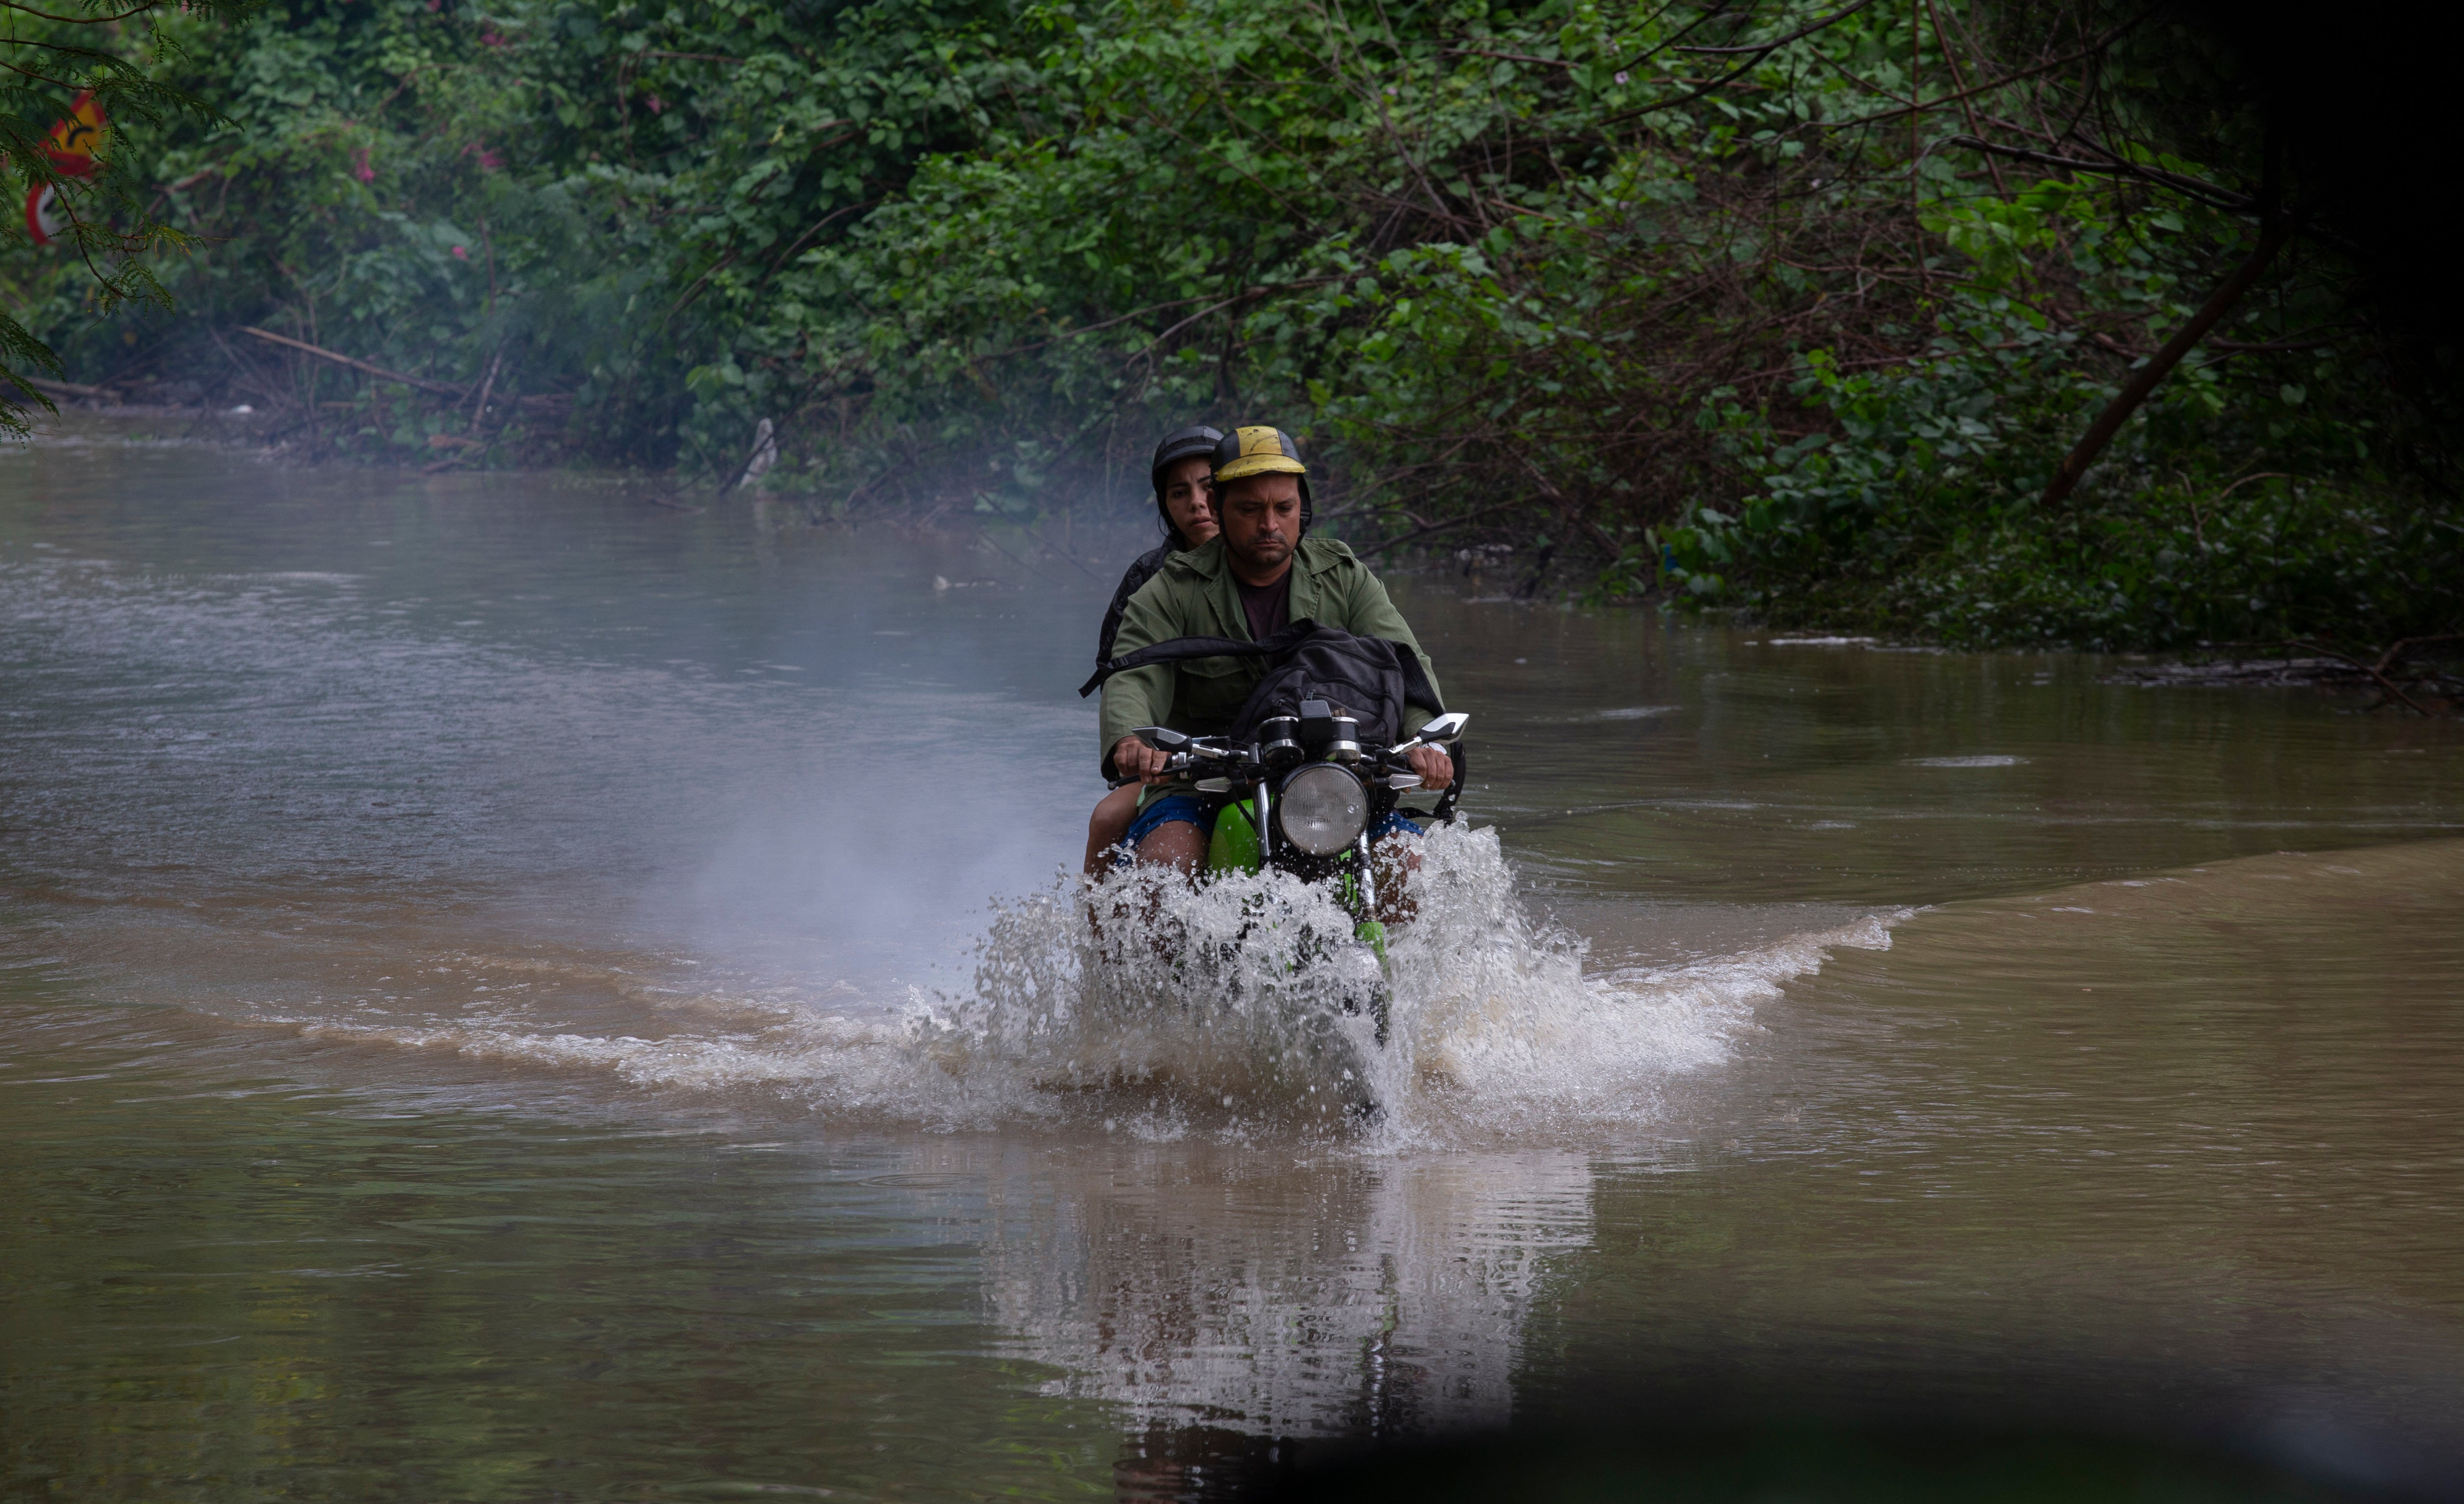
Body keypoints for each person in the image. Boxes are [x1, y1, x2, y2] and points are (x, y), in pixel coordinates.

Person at [1099, 425, 1454, 879]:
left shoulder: (1345, 577)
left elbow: (1405, 663)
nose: (1269, 524)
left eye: (1283, 508)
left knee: (1415, 871)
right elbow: (1134, 674)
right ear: (1221, 510)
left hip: (1329, 781)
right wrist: (1132, 741)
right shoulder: (1170, 589)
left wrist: (1425, 740)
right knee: (1165, 868)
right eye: (1250, 510)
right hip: (1202, 784)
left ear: (1301, 510)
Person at [1082, 425, 1222, 876]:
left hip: (1269, 750)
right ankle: (1102, 945)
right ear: (1166, 505)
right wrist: (1136, 744)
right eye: (1180, 493)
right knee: (1108, 818)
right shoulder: (1150, 580)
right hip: (1175, 760)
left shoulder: (1285, 567)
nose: (1197, 503)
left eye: (1209, 488)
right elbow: (1120, 673)